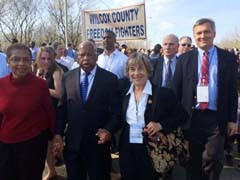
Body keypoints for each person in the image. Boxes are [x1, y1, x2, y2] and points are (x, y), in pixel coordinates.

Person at [171, 18, 238, 180]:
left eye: (207, 32)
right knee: (192, 161)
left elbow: (232, 91)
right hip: (191, 117)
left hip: (216, 118)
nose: (203, 36)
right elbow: (176, 91)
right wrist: (175, 120)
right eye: (199, 33)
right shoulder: (185, 59)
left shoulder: (227, 58)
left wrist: (232, 120)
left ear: (214, 33)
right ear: (194, 36)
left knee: (213, 159)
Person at [53, 41, 121, 180]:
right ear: (77, 57)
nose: (86, 58)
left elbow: (116, 112)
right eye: (82, 55)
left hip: (98, 145)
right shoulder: (68, 77)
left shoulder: (110, 79)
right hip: (73, 145)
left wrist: (108, 130)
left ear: (96, 56)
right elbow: (62, 109)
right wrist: (58, 133)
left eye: (90, 54)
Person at [119, 52, 187, 180]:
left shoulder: (163, 94)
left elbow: (182, 116)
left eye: (140, 68)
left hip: (152, 146)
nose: (136, 73)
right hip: (127, 145)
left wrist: (160, 125)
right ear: (128, 72)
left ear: (148, 70)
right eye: (132, 69)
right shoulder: (123, 93)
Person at [0, 43, 55, 180]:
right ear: (8, 62)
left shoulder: (40, 85)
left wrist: (54, 137)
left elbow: (49, 113)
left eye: (26, 59)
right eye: (16, 59)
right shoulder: (1, 84)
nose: (21, 63)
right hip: (5, 146)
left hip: (33, 146)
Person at [35, 47, 63, 180]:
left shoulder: (56, 72)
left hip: (54, 112)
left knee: (54, 145)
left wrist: (42, 86)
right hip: (41, 112)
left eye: (48, 58)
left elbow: (59, 93)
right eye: (43, 58)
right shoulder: (39, 70)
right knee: (46, 145)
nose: (46, 61)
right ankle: (51, 170)